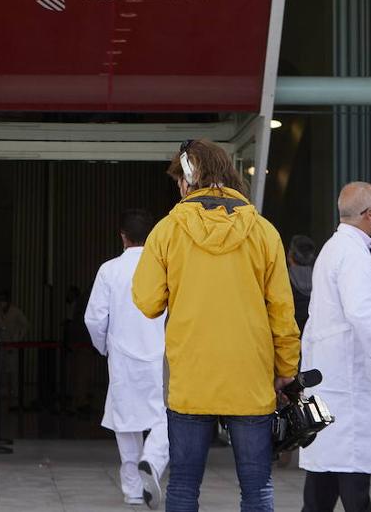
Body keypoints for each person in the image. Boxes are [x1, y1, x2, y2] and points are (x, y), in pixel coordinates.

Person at [132, 139, 299, 512]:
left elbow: (147, 302)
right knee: (256, 489)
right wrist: (286, 370)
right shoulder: (263, 231)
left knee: (184, 487)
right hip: (250, 378)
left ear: (188, 180)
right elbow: (282, 312)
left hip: (191, 376)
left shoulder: (167, 230)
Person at [299, 182, 371, 512]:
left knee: (324, 477)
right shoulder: (353, 254)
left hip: (332, 379)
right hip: (350, 383)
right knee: (352, 479)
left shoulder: (334, 249)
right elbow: (361, 313)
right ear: (370, 214)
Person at [84, 209, 168, 508]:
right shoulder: (165, 268)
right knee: (166, 417)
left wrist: (105, 346)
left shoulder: (109, 270)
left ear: (122, 236)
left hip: (122, 358)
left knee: (126, 423)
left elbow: (94, 319)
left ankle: (133, 488)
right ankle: (153, 462)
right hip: (161, 357)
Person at [287, 234, 317, 334]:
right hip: (315, 337)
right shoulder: (321, 279)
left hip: (292, 336)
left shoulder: (283, 280)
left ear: (290, 256)